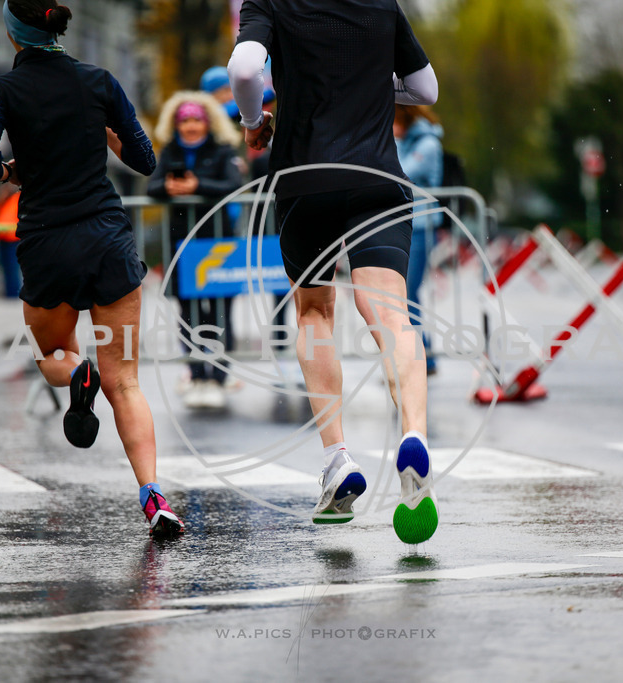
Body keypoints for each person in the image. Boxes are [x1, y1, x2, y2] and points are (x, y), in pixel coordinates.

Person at [228, 0, 440, 544]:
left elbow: (246, 68)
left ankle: (337, 458)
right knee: (392, 316)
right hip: (377, 179)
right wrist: (368, 86)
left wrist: (255, 122)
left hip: (306, 181)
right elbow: (427, 90)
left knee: (315, 314)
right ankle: (413, 435)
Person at [0, 0, 184, 539]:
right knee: (127, 382)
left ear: (12, 31)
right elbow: (144, 160)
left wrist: (8, 171)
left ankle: (77, 375)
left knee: (52, 353)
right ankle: (154, 498)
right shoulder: (99, 81)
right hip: (107, 239)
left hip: (47, 245)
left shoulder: (0, 91)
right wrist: (107, 134)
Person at [147, 91, 243, 410]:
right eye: (184, 121)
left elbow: (232, 185)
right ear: (175, 124)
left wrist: (196, 187)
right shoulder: (169, 151)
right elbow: (152, 186)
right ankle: (196, 373)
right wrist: (169, 188)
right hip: (181, 246)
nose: (190, 127)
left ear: (207, 123)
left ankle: (217, 376)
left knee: (219, 313)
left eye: (195, 121)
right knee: (187, 315)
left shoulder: (222, 150)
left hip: (216, 246)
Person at [394, 104, 444, 376]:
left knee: (408, 294)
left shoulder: (427, 145)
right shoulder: (402, 142)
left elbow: (397, 174)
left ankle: (423, 357)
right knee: (403, 294)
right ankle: (420, 354)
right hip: (406, 226)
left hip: (422, 228)